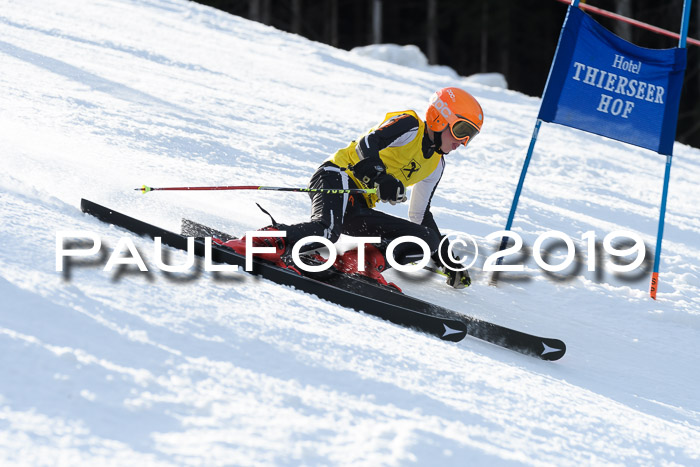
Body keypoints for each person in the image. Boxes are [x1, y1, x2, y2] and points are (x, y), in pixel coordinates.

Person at [222, 87, 483, 289]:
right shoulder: (410, 125)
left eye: (470, 136)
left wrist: (446, 257)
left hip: (357, 208)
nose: (463, 142)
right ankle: (254, 243)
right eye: (461, 130)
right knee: (326, 230)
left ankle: (361, 264)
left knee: (425, 238)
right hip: (336, 178)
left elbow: (420, 216)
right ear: (440, 117)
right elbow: (366, 145)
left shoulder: (436, 165)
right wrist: (381, 178)